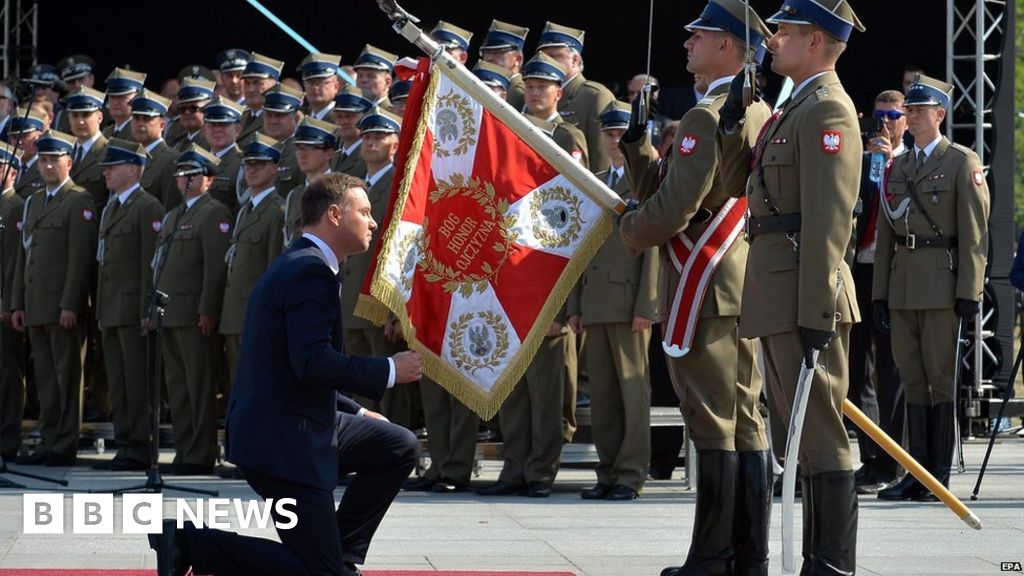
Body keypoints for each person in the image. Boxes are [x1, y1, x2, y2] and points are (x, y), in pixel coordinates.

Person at [149, 172, 424, 576]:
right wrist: (389, 369)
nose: (372, 222)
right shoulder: (308, 272)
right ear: (334, 214)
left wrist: (360, 413)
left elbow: (295, 367)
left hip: (297, 423)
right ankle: (192, 543)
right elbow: (311, 362)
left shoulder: (306, 264)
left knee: (397, 445)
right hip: (282, 447)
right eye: (364, 212)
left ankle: (338, 553)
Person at [620, 1, 772, 571]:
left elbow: (671, 212)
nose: (687, 46)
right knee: (743, 417)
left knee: (711, 420)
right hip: (738, 281)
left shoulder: (708, 115)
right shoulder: (754, 109)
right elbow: (672, 185)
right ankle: (746, 555)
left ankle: (712, 556)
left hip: (703, 283)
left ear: (729, 46)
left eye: (699, 37)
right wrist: (638, 145)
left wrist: (628, 228)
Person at [721, 1, 865, 573]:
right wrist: (735, 122)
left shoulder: (828, 109)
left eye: (783, 31)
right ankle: (814, 559)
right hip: (777, 290)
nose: (772, 40)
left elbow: (830, 221)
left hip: (805, 294)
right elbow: (741, 188)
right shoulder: (790, 107)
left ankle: (830, 565)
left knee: (821, 434)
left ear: (814, 42)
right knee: (798, 437)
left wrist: (816, 310)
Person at [873, 74, 990, 502]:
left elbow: (975, 234)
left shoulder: (961, 161)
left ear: (940, 114)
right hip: (903, 284)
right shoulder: (898, 166)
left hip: (942, 284)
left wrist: (969, 291)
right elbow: (886, 235)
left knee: (940, 380)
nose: (913, 116)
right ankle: (915, 471)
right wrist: (880, 294)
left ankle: (937, 473)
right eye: (911, 110)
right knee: (912, 378)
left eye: (921, 110)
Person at [569, 101, 659, 501]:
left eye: (621, 134)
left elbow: (654, 247)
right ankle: (607, 470)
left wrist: (647, 304)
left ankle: (630, 473)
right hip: (596, 301)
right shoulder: (596, 180)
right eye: (609, 134)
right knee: (604, 395)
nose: (615, 141)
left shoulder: (647, 181)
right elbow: (579, 249)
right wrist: (574, 304)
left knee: (631, 393)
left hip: (628, 304)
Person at [11, 130, 97, 466]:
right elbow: (24, 257)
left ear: (68, 162)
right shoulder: (33, 201)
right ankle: (48, 441)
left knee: (67, 377)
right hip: (36, 305)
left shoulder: (79, 200)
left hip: (61, 307)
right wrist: (18, 303)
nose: (47, 166)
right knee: (45, 380)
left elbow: (79, 259)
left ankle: (64, 444)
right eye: (43, 159)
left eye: (53, 160)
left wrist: (70, 304)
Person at [153, 144, 231, 476]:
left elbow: (215, 269)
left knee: (199, 387)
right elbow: (158, 265)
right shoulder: (174, 215)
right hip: (170, 312)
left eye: (192, 174)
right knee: (179, 386)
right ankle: (185, 449)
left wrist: (208, 310)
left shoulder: (214, 213)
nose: (184, 179)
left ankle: (200, 453)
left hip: (194, 314)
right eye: (181, 174)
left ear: (209, 180)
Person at [847, 89, 908, 494]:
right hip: (860, 271)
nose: (884, 122)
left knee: (891, 371)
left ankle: (894, 461)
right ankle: (871, 457)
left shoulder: (907, 162)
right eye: (879, 114)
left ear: (905, 120)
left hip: (893, 273)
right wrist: (868, 164)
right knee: (855, 371)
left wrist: (886, 163)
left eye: (893, 115)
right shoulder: (864, 161)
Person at [92, 138, 164, 471]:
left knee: (137, 383)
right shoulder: (112, 207)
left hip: (133, 312)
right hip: (112, 311)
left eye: (113, 166)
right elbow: (106, 266)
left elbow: (150, 265)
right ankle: (124, 443)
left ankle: (140, 447)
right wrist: (102, 311)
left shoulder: (146, 207)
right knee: (119, 384)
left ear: (133, 169)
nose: (106, 172)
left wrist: (146, 311)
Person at [219, 134, 285, 401]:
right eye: (248, 165)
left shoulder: (277, 210)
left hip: (257, 314)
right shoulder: (246, 209)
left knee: (259, 387)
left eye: (260, 164)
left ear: (275, 168)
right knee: (239, 386)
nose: (252, 170)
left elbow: (274, 267)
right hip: (236, 313)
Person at [537, 21, 615, 173]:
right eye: (544, 58)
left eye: (554, 57)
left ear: (575, 60)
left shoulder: (595, 96)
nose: (547, 64)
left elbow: (602, 161)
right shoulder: (537, 95)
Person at [0, 143, 25, 461]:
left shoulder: (15, 207)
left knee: (7, 375)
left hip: (3, 304)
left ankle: (7, 439)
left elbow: (13, 263)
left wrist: (7, 302)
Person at [284, 117, 341, 245]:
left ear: (328, 153)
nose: (302, 154)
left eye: (310, 147)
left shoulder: (340, 192)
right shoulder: (294, 195)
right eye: (298, 147)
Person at [130, 90, 178, 207]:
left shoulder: (171, 160)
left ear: (162, 125)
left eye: (147, 119)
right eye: (136, 118)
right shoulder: (130, 157)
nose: (140, 124)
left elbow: (169, 207)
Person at [260, 83, 306, 195]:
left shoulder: (302, 153)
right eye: (269, 115)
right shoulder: (260, 149)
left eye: (280, 115)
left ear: (295, 118)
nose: (273, 121)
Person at [478, 19, 529, 111]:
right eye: (486, 53)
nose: (489, 58)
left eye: (498, 53)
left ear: (517, 59)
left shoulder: (522, 95)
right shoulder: (481, 84)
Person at [239, 53, 285, 144]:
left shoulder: (284, 118)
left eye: (257, 83)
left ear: (274, 84)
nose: (250, 89)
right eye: (247, 83)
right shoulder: (240, 117)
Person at [329, 86, 373, 178]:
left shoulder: (369, 156)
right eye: (339, 116)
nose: (344, 121)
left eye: (350, 116)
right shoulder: (334, 157)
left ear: (364, 117)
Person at [165, 78, 214, 153]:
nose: (187, 113)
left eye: (193, 108)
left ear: (207, 109)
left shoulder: (212, 142)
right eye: (182, 109)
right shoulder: (179, 142)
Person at [101, 68, 146, 140]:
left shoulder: (140, 132)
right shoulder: (107, 132)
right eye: (112, 97)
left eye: (123, 97)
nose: (115, 102)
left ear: (137, 97)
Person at [352, 45, 397, 111]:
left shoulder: (395, 116)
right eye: (360, 76)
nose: (363, 80)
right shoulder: (352, 113)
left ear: (387, 82)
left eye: (371, 76)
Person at [300, 52, 342, 121]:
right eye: (310, 82)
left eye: (321, 82)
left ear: (336, 87)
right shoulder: (300, 118)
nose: (315, 87)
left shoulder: (342, 119)